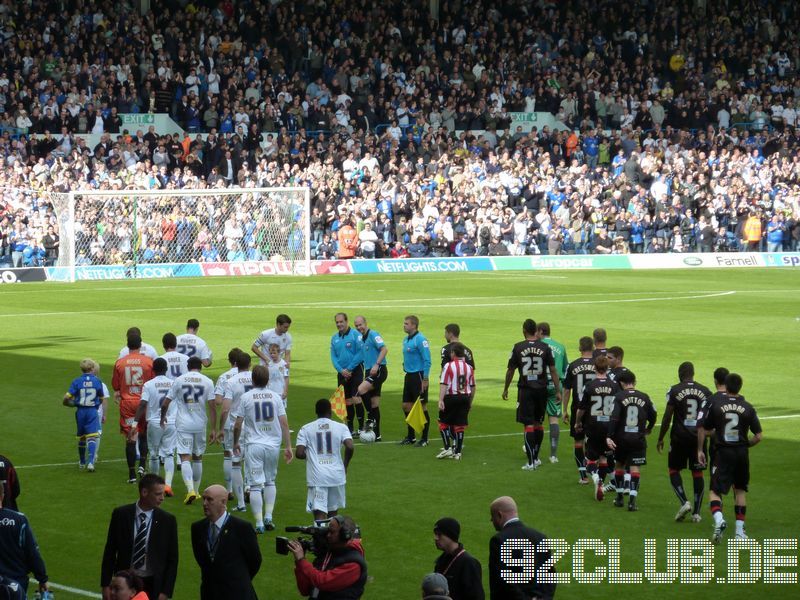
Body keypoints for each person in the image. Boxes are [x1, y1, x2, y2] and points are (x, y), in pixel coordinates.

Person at [698, 373, 763, 544]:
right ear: (740, 387)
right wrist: (744, 445)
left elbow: (704, 429)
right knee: (740, 490)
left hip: (723, 453)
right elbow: (758, 436)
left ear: (725, 386)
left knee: (715, 490)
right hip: (741, 453)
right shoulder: (748, 407)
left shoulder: (717, 405)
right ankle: (739, 532)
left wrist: (700, 450)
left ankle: (719, 520)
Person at [232, 365, 293, 533]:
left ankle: (259, 523)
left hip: (254, 445)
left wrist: (235, 442)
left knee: (255, 485)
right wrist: (288, 446)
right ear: (268, 380)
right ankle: (268, 516)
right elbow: (284, 423)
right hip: (273, 445)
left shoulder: (246, 397)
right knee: (270, 481)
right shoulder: (276, 397)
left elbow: (238, 424)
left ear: (252, 379)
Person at [100, 474, 179, 600]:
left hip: (153, 585)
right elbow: (110, 551)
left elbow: (172, 560)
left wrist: (165, 592)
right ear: (144, 492)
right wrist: (105, 585)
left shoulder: (167, 520)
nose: (162, 498)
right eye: (158, 494)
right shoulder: (121, 514)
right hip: (125, 583)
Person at [656, 362, 713, 523]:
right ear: (693, 373)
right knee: (697, 473)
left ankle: (684, 502)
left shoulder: (674, 390)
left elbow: (667, 416)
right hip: (698, 438)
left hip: (679, 437)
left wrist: (661, 437)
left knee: (674, 470)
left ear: (680, 374)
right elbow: (710, 417)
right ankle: (697, 513)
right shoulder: (706, 391)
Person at [502, 319, 562, 470]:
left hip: (526, 390)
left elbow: (510, 370)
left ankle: (530, 463)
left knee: (528, 425)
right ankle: (535, 458)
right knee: (538, 423)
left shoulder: (518, 347)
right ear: (536, 330)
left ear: (524, 331)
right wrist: (557, 390)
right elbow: (553, 370)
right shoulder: (545, 347)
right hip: (541, 390)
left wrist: (506, 388)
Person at [161, 357, 216, 505]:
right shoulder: (208, 381)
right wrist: (214, 428)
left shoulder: (179, 380)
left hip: (184, 424)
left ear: (188, 366)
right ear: (200, 367)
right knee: (198, 456)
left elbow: (166, 402)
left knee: (185, 457)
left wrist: (162, 418)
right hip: (200, 424)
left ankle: (190, 489)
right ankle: (197, 492)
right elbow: (212, 406)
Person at [191, 484, 262, 600]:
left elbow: (255, 561)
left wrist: (238, 578)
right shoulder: (197, 528)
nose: (204, 503)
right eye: (204, 498)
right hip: (209, 593)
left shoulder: (242, 528)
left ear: (223, 502)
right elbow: (201, 560)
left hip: (238, 594)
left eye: (209, 499)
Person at [606, 370, 657, 511]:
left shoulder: (618, 397)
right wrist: (649, 427)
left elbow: (614, 418)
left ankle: (619, 498)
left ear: (622, 383)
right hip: (638, 439)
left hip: (621, 439)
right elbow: (653, 415)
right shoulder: (645, 397)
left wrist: (609, 435)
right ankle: (632, 502)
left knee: (619, 466)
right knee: (635, 469)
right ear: (634, 382)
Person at [295, 399, 354, 520]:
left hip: (318, 477)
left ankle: (319, 538)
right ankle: (333, 538)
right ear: (330, 411)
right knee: (333, 513)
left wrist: (311, 456)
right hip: (336, 475)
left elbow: (299, 453)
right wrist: (345, 465)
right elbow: (350, 446)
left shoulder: (306, 429)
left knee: (319, 513)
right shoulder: (341, 427)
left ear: (316, 412)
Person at [488, 496, 555, 600]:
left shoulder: (499, 540)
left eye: (492, 516)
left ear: (499, 515)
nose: (491, 520)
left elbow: (503, 581)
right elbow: (550, 576)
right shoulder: (540, 537)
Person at [288, 515, 367, 600]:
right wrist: (299, 564)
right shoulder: (328, 552)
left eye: (332, 532)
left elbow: (322, 582)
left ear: (344, 536)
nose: (328, 535)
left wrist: (301, 560)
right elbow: (305, 590)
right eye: (328, 531)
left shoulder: (353, 564)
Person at [574, 356, 620, 501]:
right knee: (604, 457)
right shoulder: (614, 386)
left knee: (590, 460)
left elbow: (581, 409)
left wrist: (577, 423)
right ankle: (601, 481)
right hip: (609, 427)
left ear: (595, 367)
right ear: (607, 368)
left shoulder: (589, 385)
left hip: (593, 426)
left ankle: (596, 479)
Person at [113, 334, 155, 483]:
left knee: (131, 438)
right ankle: (142, 465)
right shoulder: (149, 362)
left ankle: (131, 474)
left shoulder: (120, 363)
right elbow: (153, 382)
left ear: (127, 345)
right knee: (143, 434)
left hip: (128, 403)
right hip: (144, 402)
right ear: (140, 345)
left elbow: (116, 386)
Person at [0, 480, 49, 600]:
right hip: (16, 586)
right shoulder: (19, 520)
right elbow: (32, 552)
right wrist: (42, 578)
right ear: (3, 495)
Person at [136, 358, 177, 496]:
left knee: (153, 454)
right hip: (171, 422)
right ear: (166, 369)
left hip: (154, 422)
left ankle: (155, 486)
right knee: (170, 453)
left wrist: (135, 424)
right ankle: (168, 485)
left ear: (153, 370)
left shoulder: (148, 384)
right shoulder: (174, 383)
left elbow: (142, 404)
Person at [221, 352, 253, 511]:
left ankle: (240, 503)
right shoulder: (257, 378)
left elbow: (225, 408)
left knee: (235, 462)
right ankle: (249, 488)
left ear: (235, 364)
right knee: (251, 460)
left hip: (237, 425)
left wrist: (220, 428)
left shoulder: (231, 381)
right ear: (250, 364)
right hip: (254, 426)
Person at [63, 358, 107, 472]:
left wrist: (69, 404)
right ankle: (91, 462)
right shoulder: (98, 382)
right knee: (92, 436)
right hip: (92, 411)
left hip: (80, 412)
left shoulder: (76, 381)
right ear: (92, 368)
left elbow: (66, 398)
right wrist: (96, 406)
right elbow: (101, 398)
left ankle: (82, 462)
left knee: (82, 437)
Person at [563, 337, 596, 484]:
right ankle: (596, 472)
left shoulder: (573, 365)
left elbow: (566, 389)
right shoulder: (600, 365)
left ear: (580, 348)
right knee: (594, 441)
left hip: (578, 408)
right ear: (593, 348)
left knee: (578, 441)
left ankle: (583, 476)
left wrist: (564, 410)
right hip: (595, 409)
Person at [213, 348, 244, 501]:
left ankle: (230, 489)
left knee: (228, 454)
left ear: (230, 361)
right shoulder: (252, 377)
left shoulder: (224, 377)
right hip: (248, 422)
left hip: (230, 421)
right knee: (246, 455)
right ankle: (251, 487)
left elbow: (218, 401)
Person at [436, 344, 476, 461]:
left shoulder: (448, 366)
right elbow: (473, 387)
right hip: (465, 398)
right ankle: (457, 453)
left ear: (453, 353)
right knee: (460, 426)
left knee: (442, 422)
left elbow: (444, 384)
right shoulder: (469, 368)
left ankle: (447, 447)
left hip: (451, 397)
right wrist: (470, 402)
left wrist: (440, 400)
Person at [536, 322, 568, 464]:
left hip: (540, 384)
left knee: (536, 419)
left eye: (537, 331)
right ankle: (553, 455)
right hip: (556, 385)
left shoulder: (537, 346)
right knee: (554, 419)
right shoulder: (560, 347)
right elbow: (565, 368)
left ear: (541, 331)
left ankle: (533, 449)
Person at [353, 315, 388, 441]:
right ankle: (377, 435)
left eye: (360, 325)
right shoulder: (362, 339)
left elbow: (384, 349)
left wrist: (376, 364)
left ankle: (370, 418)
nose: (359, 327)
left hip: (378, 370)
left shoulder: (373, 334)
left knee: (360, 390)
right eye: (356, 326)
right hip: (369, 371)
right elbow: (362, 357)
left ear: (365, 323)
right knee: (374, 404)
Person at [330, 313, 366, 435]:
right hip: (342, 372)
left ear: (346, 321)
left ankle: (361, 427)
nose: (339, 324)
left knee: (356, 397)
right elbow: (333, 356)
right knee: (347, 401)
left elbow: (360, 353)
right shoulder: (334, 338)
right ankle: (349, 429)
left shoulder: (356, 335)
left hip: (356, 370)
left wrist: (349, 369)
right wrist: (341, 370)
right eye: (337, 322)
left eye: (341, 322)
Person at [433, 517, 484, 600]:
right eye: (435, 534)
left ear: (451, 536)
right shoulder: (441, 560)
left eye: (439, 534)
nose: (435, 538)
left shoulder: (469, 563)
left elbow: (476, 596)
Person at [400, 315, 432, 446]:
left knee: (421, 406)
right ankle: (411, 436)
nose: (404, 325)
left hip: (419, 376)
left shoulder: (420, 339)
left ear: (414, 325)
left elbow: (427, 360)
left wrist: (425, 378)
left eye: (406, 323)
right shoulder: (405, 340)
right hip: (409, 376)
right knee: (406, 406)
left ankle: (424, 438)